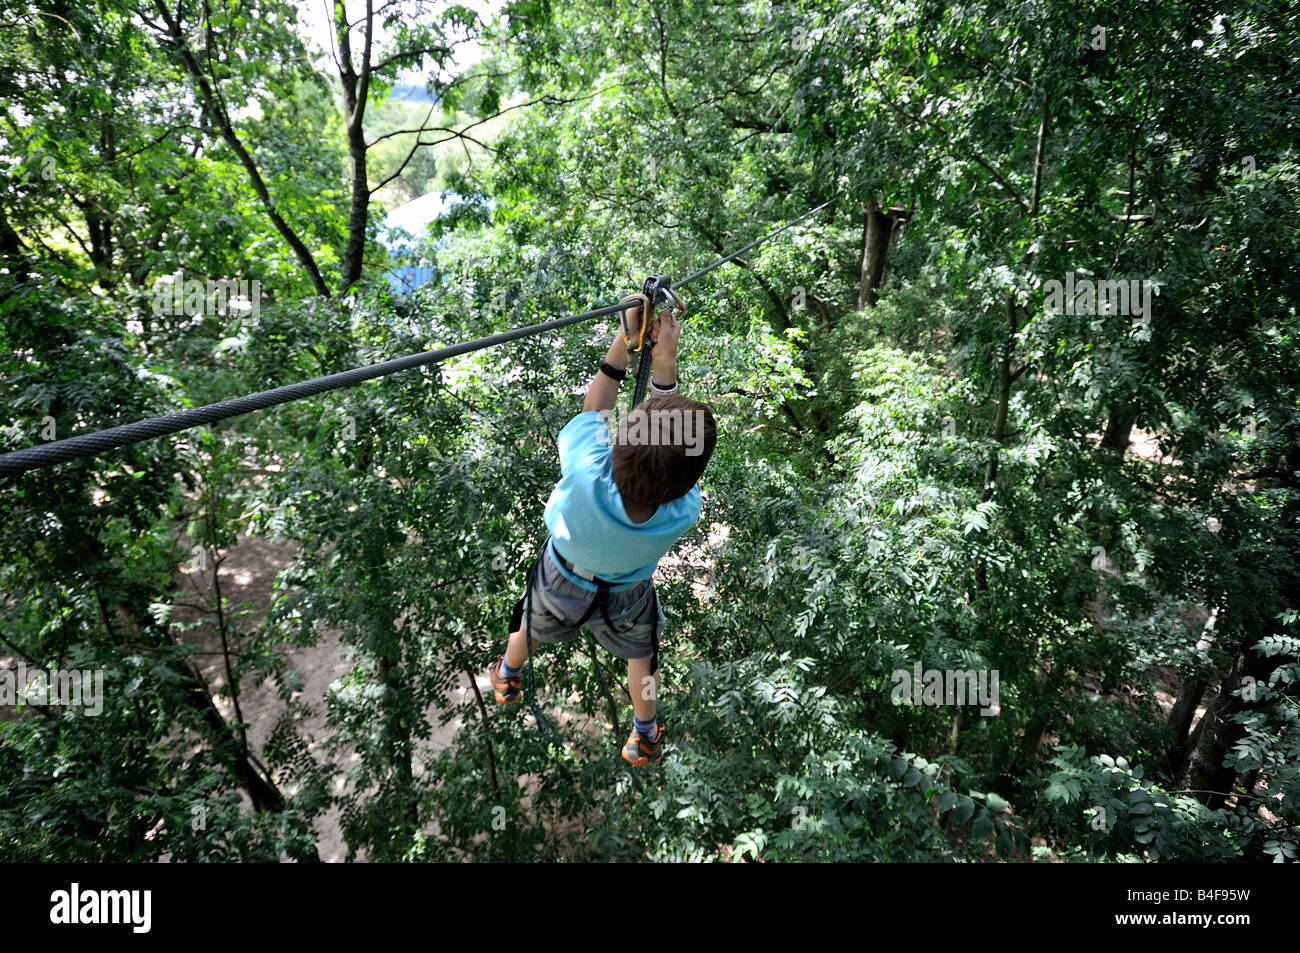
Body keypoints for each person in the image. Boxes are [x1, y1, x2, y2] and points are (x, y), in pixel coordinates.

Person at [486, 302, 717, 766]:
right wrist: (664, 363)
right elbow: (672, 452)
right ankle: (644, 733)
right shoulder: (682, 511)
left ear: (619, 442)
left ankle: (508, 675)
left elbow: (597, 409)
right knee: (643, 658)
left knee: (528, 620)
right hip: (627, 597)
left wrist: (626, 345)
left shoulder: (588, 471)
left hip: (561, 580)